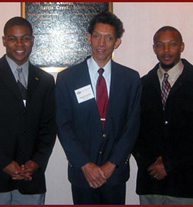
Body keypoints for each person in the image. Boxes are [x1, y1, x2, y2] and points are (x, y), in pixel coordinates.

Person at [55, 11, 141, 205]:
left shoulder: (130, 79)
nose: (102, 43)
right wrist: (85, 165)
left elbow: (132, 126)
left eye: (108, 38)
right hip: (82, 173)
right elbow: (63, 125)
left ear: (117, 42)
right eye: (97, 36)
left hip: (115, 174)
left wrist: (113, 164)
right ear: (89, 38)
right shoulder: (68, 78)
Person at [0, 17, 56, 205]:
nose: (19, 44)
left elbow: (49, 128)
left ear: (32, 40)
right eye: (12, 38)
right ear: (4, 40)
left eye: (25, 38)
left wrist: (36, 162)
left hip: (31, 177)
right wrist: (4, 164)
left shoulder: (46, 80)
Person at [132, 26, 193, 205]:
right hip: (151, 183)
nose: (166, 50)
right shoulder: (142, 86)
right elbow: (133, 131)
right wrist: (149, 163)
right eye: (160, 45)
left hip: (187, 184)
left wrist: (168, 165)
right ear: (154, 48)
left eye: (172, 44)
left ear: (182, 46)